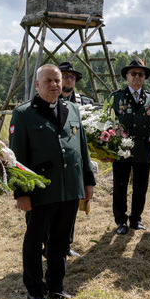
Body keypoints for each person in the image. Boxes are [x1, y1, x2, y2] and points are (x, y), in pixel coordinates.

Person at [8, 64, 95, 299]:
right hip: (40, 191)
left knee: (60, 240)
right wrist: (21, 193)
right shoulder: (24, 114)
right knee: (34, 242)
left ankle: (56, 286)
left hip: (69, 187)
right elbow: (17, 157)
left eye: (57, 80)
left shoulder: (72, 109)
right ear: (37, 84)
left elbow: (82, 148)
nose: (55, 84)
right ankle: (35, 290)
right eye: (48, 81)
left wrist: (88, 181)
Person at [108, 58, 150, 234]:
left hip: (142, 149)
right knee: (120, 186)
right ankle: (120, 221)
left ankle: (136, 219)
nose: (137, 77)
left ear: (144, 77)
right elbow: (107, 122)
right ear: (127, 76)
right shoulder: (116, 97)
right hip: (121, 150)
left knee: (140, 187)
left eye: (141, 74)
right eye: (133, 74)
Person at [58, 61, 93, 258]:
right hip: (56, 163)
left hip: (77, 162)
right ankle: (50, 244)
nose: (68, 80)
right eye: (65, 76)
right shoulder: (48, 100)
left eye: (72, 77)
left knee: (72, 205)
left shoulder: (83, 102)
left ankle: (66, 244)